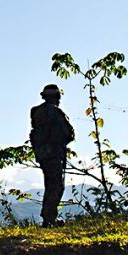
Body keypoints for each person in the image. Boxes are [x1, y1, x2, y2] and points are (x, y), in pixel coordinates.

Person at [29, 84, 75, 227]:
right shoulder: (57, 113)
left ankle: (48, 218)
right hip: (54, 153)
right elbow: (69, 134)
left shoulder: (36, 112)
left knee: (50, 184)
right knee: (56, 186)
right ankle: (49, 219)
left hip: (42, 154)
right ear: (57, 97)